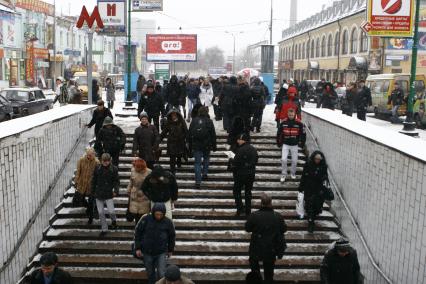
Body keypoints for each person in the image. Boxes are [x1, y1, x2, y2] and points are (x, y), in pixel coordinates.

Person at [245, 193, 287, 284]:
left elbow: (247, 228)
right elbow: (284, 229)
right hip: (270, 249)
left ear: (261, 203)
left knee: (255, 274)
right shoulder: (277, 216)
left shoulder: (254, 215)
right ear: (271, 203)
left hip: (256, 248)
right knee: (269, 274)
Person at [134, 203, 176, 284]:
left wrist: (170, 249)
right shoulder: (146, 219)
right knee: (150, 273)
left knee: (162, 273)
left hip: (161, 252)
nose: (159, 216)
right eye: (157, 214)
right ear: (153, 212)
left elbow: (172, 236)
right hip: (147, 251)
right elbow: (138, 233)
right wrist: (138, 248)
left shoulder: (168, 222)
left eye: (161, 214)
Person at [299, 151, 329, 233]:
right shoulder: (308, 164)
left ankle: (312, 218)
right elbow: (304, 176)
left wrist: (325, 184)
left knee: (316, 207)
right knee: (309, 205)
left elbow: (325, 177)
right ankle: (310, 222)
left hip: (318, 190)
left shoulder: (323, 166)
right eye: (316, 159)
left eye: (319, 159)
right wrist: (301, 187)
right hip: (309, 189)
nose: (317, 161)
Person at [188, 106, 217, 189]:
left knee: (197, 163)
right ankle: (204, 173)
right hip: (207, 145)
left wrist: (190, 146)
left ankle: (198, 181)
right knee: (206, 158)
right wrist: (214, 146)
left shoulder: (194, 121)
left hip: (197, 145)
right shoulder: (209, 121)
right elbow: (213, 135)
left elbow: (189, 134)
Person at [91, 153, 119, 236]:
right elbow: (94, 180)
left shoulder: (114, 169)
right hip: (99, 193)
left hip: (108, 193)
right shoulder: (97, 168)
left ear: (110, 161)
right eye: (104, 161)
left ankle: (114, 221)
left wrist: (116, 190)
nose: (106, 163)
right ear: (101, 161)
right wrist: (92, 191)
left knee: (112, 211)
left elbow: (116, 181)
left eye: (107, 161)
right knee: (100, 212)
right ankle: (104, 229)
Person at [230, 133, 258, 217]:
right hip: (250, 174)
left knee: (236, 191)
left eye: (239, 139)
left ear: (243, 140)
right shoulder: (253, 149)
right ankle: (248, 211)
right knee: (248, 192)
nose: (237, 141)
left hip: (240, 174)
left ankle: (240, 208)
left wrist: (231, 159)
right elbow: (255, 160)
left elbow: (236, 162)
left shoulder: (240, 150)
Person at [277, 108, 306, 183]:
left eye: (292, 115)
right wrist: (278, 142)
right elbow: (279, 133)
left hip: (294, 144)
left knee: (294, 160)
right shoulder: (283, 122)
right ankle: (284, 174)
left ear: (294, 114)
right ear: (287, 114)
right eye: (289, 115)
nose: (291, 116)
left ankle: (293, 173)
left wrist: (302, 143)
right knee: (283, 159)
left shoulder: (299, 123)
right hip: (286, 144)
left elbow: (303, 134)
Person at [74, 147, 100, 224]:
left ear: (93, 154)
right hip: (82, 184)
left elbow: (98, 175)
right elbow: (78, 172)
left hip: (91, 185)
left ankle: (90, 217)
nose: (89, 157)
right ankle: (88, 207)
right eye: (88, 155)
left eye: (90, 155)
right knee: (81, 199)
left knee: (91, 202)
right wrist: (76, 181)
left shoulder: (96, 162)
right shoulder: (81, 160)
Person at [161, 108, 188, 174]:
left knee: (179, 155)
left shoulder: (181, 122)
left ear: (177, 115)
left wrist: (185, 138)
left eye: (175, 115)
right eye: (172, 115)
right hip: (171, 143)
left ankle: (179, 164)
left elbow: (186, 131)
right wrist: (159, 139)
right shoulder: (168, 123)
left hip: (180, 142)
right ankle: (172, 171)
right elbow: (164, 132)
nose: (173, 116)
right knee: (172, 157)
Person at [127, 158, 152, 224]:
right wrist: (129, 189)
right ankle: (137, 228)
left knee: (143, 215)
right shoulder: (133, 171)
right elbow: (131, 181)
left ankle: (142, 228)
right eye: (137, 167)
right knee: (136, 214)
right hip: (134, 194)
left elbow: (151, 184)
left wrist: (148, 192)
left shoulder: (149, 172)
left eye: (139, 167)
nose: (137, 168)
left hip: (144, 195)